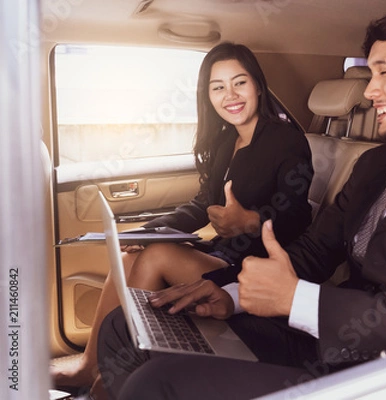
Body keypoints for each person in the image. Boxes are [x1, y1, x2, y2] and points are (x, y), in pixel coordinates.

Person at [97, 5, 386, 399]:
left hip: (383, 369)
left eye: (384, 72)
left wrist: (296, 300)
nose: (369, 91)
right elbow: (313, 252)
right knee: (124, 327)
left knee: (158, 383)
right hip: (318, 335)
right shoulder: (375, 163)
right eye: (369, 74)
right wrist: (231, 294)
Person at [52, 42, 314, 394]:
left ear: (258, 85)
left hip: (255, 268)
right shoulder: (226, 142)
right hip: (225, 253)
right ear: (207, 95)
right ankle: (91, 365)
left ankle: (116, 375)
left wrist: (250, 222)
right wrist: (149, 232)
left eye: (240, 83)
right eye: (218, 87)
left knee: (157, 256)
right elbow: (202, 204)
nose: (230, 95)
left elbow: (299, 215)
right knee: (132, 251)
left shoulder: (286, 140)